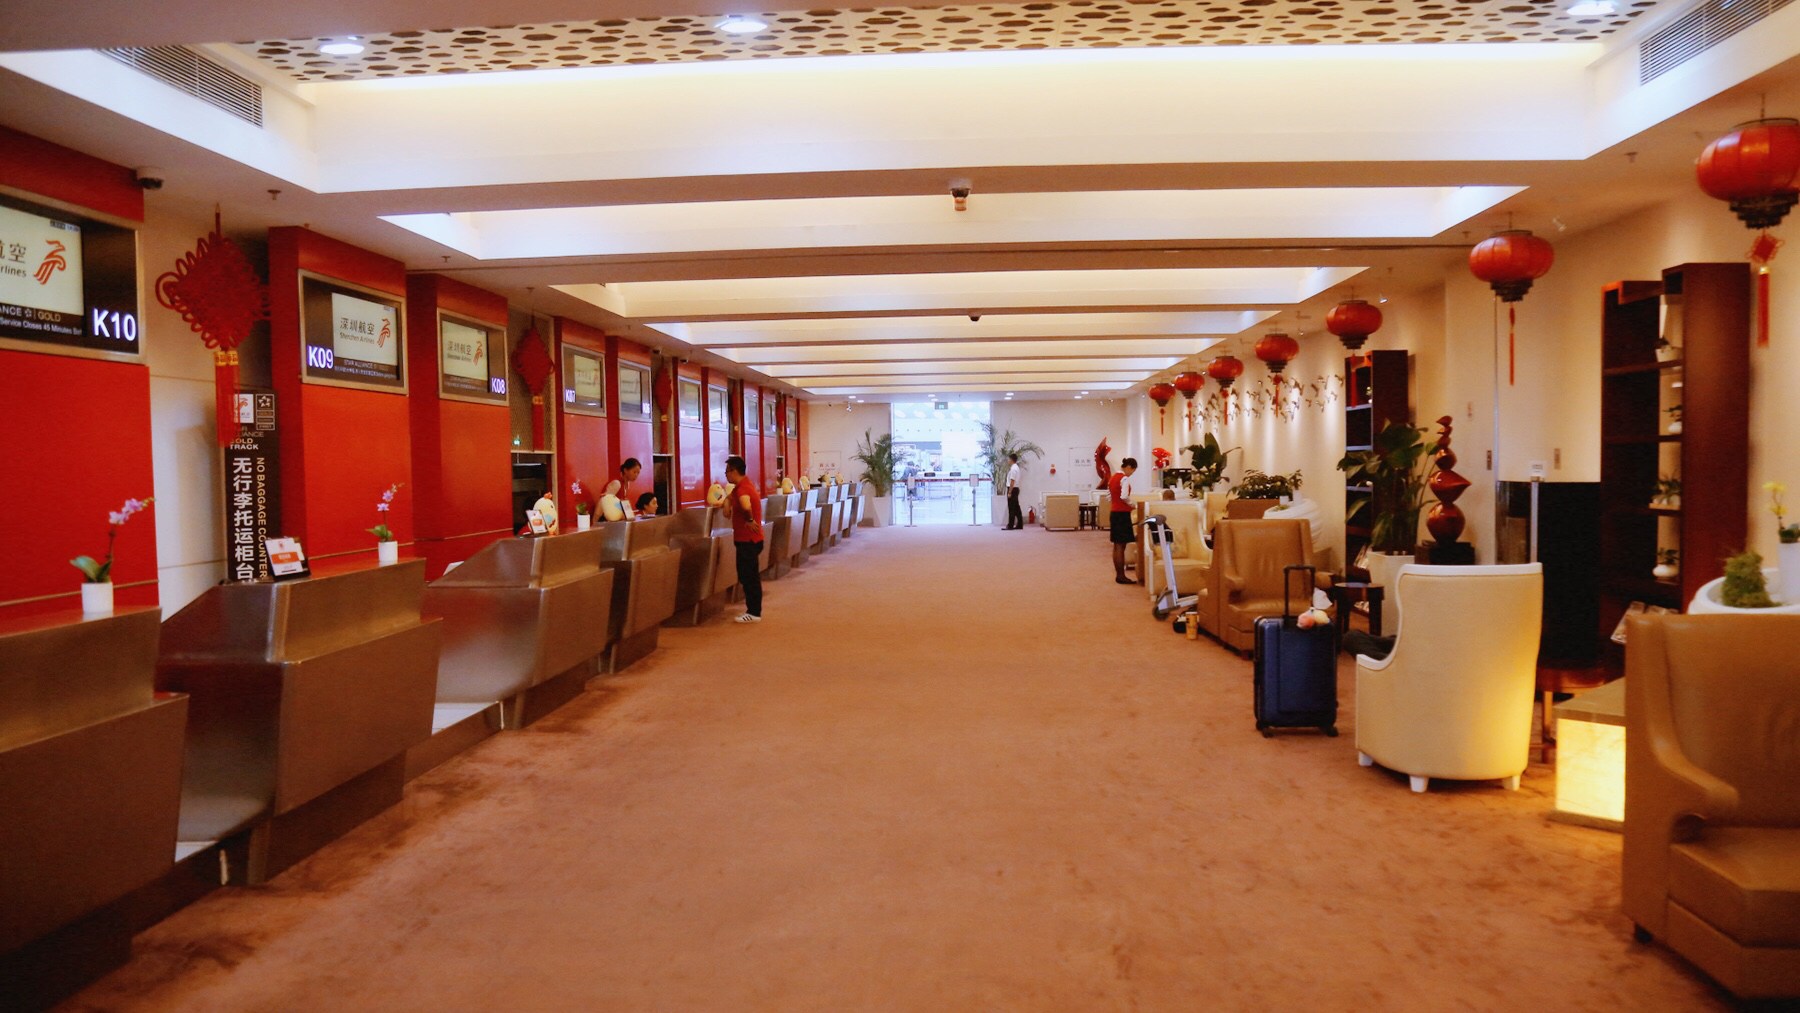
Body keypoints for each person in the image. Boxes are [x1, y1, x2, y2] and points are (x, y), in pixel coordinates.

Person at [723, 455, 764, 624]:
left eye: (727, 472)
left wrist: (749, 520)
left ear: (734, 471)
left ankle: (754, 612)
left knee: (749, 576)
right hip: (749, 540)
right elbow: (729, 498)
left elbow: (745, 504)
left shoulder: (742, 489)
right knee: (747, 574)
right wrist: (726, 503)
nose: (726, 475)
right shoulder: (743, 485)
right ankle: (753, 610)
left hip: (748, 540)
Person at [1108, 457, 1138, 584]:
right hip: (1122, 514)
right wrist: (1133, 505)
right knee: (1121, 546)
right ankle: (1121, 576)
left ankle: (1119, 574)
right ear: (1129, 467)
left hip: (1114, 513)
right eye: (1133, 471)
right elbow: (1124, 496)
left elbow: (1108, 496)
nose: (1131, 473)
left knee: (1116, 545)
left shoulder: (1113, 478)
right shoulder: (1124, 479)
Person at [1004, 452, 1024, 529]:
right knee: (1016, 508)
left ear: (1012, 460)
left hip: (1012, 488)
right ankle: (1020, 524)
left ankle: (1011, 525)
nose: (1008, 461)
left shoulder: (1013, 469)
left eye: (1008, 459)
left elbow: (1012, 481)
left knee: (1011, 508)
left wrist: (1009, 492)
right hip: (1016, 489)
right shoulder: (1016, 468)